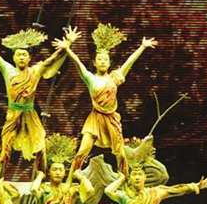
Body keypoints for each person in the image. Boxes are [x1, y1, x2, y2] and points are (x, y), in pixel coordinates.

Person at [55, 24, 157, 176]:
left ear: (109, 63)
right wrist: (67, 47)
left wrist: (142, 47)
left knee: (120, 154)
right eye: (99, 59)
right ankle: (70, 180)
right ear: (94, 63)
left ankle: (124, 181)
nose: (102, 62)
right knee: (82, 151)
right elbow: (77, 62)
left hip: (111, 120)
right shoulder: (90, 78)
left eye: (105, 59)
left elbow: (129, 62)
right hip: (95, 119)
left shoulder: (114, 78)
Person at [0, 28, 78, 177]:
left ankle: (43, 179)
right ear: (13, 58)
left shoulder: (35, 71)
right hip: (13, 115)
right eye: (18, 54)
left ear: (30, 57)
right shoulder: (8, 70)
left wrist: (68, 43)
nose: (21, 57)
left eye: (24, 55)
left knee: (41, 149)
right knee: (5, 151)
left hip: (30, 115)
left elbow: (51, 60)